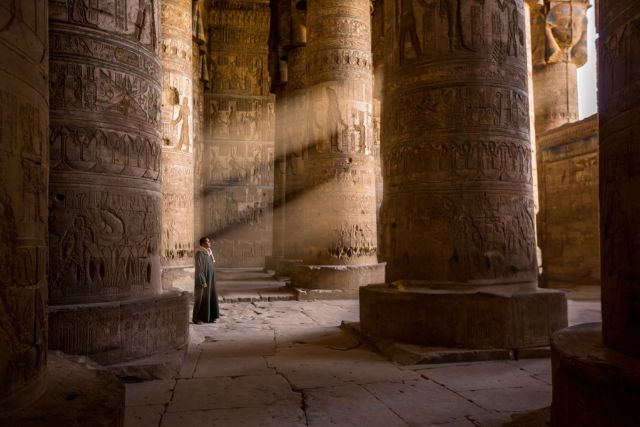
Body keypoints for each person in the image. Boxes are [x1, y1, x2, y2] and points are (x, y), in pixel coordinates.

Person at [192, 237, 219, 324]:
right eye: (208, 242)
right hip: (203, 281)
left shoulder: (209, 253)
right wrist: (203, 281)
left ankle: (209, 317)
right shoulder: (199, 254)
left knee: (210, 297)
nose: (210, 243)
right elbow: (199, 269)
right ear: (203, 244)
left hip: (210, 280)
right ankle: (196, 318)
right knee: (200, 298)